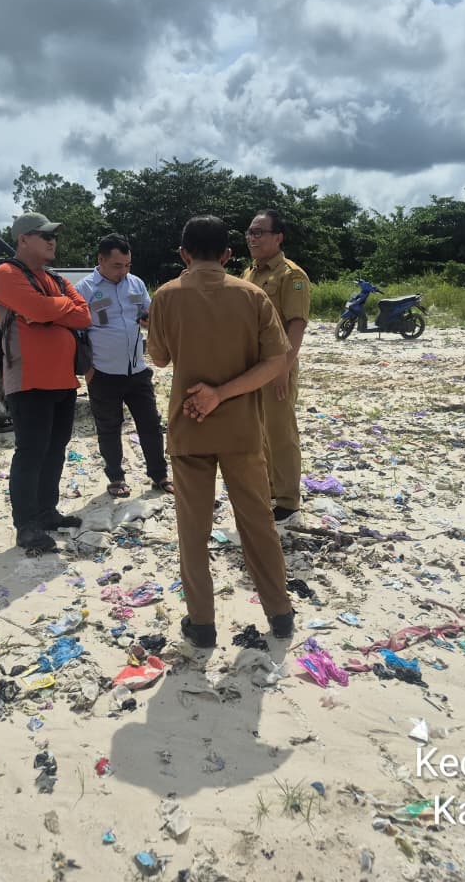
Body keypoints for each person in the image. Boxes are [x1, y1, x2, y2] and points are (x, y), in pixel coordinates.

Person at [147, 215, 296, 648]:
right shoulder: (251, 295)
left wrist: (207, 393)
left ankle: (203, 624)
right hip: (243, 431)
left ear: (183, 254)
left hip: (189, 428)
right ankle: (280, 613)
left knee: (192, 532)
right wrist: (224, 392)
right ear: (229, 255)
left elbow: (158, 358)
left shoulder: (167, 296)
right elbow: (275, 362)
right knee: (258, 524)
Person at [0, 212, 91, 553]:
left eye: (54, 235)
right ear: (22, 240)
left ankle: (47, 512)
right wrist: (53, 309)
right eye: (43, 235)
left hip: (63, 380)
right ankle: (27, 525)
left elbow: (84, 314)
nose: (52, 241)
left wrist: (48, 310)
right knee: (31, 452)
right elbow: (50, 309)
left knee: (55, 449)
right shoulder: (5, 274)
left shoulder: (57, 280)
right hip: (29, 380)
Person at [75, 233, 172, 498]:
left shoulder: (136, 284)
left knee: (151, 423)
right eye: (117, 266)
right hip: (103, 373)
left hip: (137, 370)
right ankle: (116, 478)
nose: (123, 271)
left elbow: (146, 314)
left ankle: (159, 475)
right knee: (109, 427)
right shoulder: (84, 289)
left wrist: (153, 320)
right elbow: (78, 334)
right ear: (101, 260)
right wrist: (89, 371)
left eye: (127, 265)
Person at [241, 209, 310, 525]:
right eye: (250, 233)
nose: (252, 238)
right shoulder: (249, 273)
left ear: (278, 237)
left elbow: (296, 326)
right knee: (258, 432)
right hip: (250, 368)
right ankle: (268, 489)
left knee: (281, 432)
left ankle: (287, 501)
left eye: (259, 232)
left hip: (276, 365)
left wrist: (284, 367)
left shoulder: (292, 276)